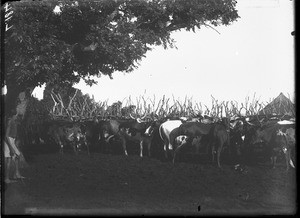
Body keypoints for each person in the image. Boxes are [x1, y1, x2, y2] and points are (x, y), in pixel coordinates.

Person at [4, 114, 26, 183]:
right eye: (15, 115)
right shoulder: (9, 121)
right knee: (9, 159)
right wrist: (10, 148)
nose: (16, 116)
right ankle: (6, 179)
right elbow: (6, 136)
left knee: (17, 155)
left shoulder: (14, 122)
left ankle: (16, 174)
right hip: (8, 141)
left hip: (12, 140)